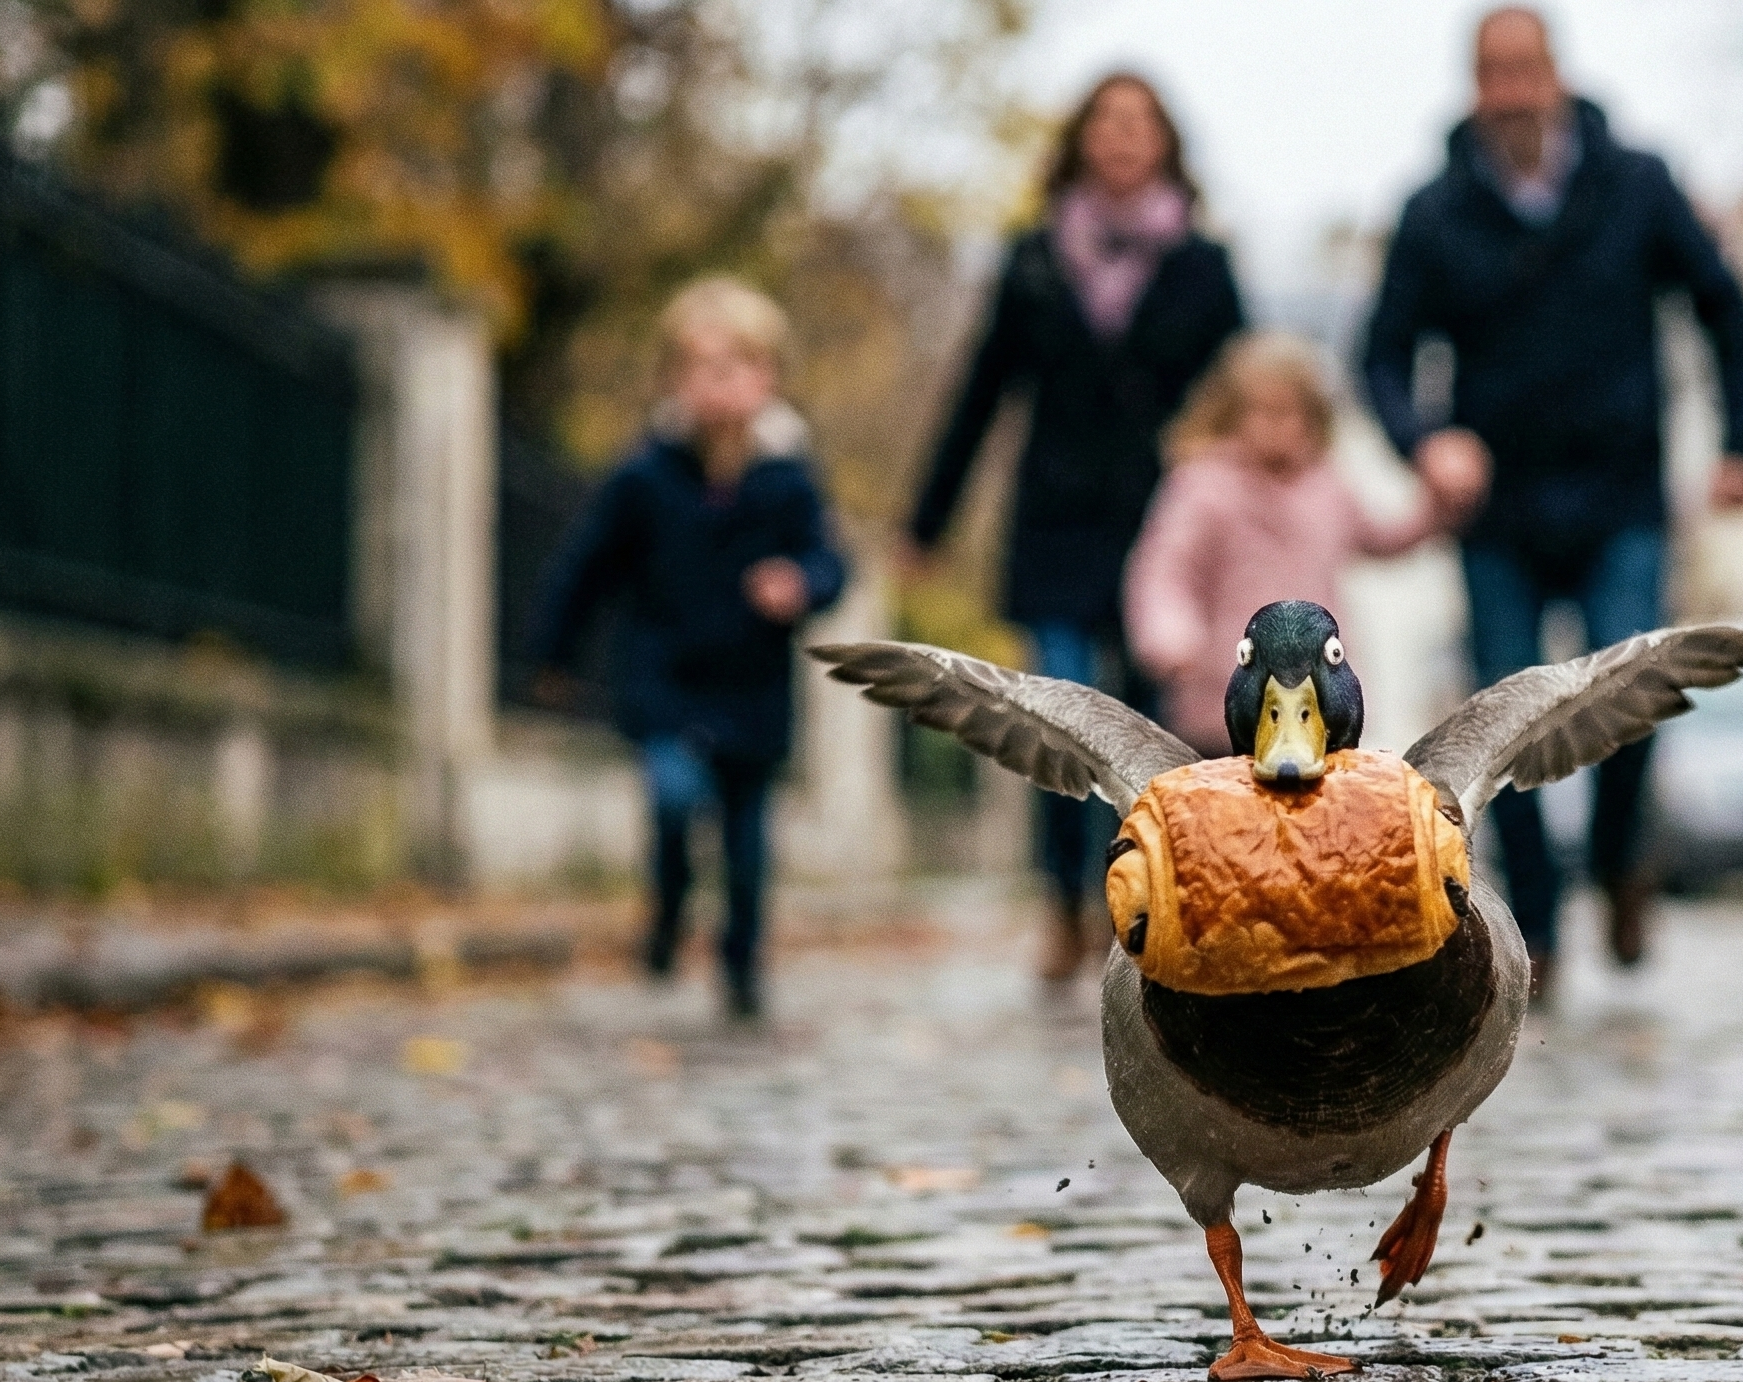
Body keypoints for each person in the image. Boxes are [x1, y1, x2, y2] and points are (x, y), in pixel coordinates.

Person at [1361, 6, 1743, 994]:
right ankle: (1539, 921)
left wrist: (1741, 442)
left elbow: (1724, 308)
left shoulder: (1636, 184)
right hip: (1495, 511)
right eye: (1490, 75)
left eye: (1524, 72)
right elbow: (1378, 355)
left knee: (1622, 693)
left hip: (1619, 490)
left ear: (1556, 78)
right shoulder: (1434, 211)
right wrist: (1425, 443)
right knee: (1507, 714)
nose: (1509, 94)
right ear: (1473, 90)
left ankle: (1624, 861)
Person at [906, 71, 1245, 983]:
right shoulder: (1032, 259)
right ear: (1081, 140)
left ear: (1165, 142)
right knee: (1060, 718)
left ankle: (1136, 903)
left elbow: (1239, 396)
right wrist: (927, 520)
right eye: (1107, 121)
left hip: (1160, 528)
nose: (1123, 137)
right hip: (1054, 519)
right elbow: (982, 392)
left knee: (1141, 728)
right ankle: (1060, 900)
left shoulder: (1204, 266)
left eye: (1141, 123)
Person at [530, 276, 849, 1023]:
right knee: (673, 801)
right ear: (674, 380)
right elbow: (587, 567)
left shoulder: (789, 478)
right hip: (666, 679)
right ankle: (669, 909)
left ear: (766, 377)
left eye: (737, 368)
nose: (721, 385)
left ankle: (741, 964)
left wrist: (800, 581)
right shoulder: (644, 476)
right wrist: (553, 651)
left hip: (753, 686)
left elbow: (832, 562)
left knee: (746, 840)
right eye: (703, 369)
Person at [1125, 334, 1455, 756]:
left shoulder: (1327, 486)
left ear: (1313, 417)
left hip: (1318, 697)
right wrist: (1168, 635)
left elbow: (1380, 536)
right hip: (1222, 692)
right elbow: (1164, 571)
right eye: (1259, 412)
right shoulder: (1203, 486)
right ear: (1228, 414)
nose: (1273, 425)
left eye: (1286, 413)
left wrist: (1435, 510)